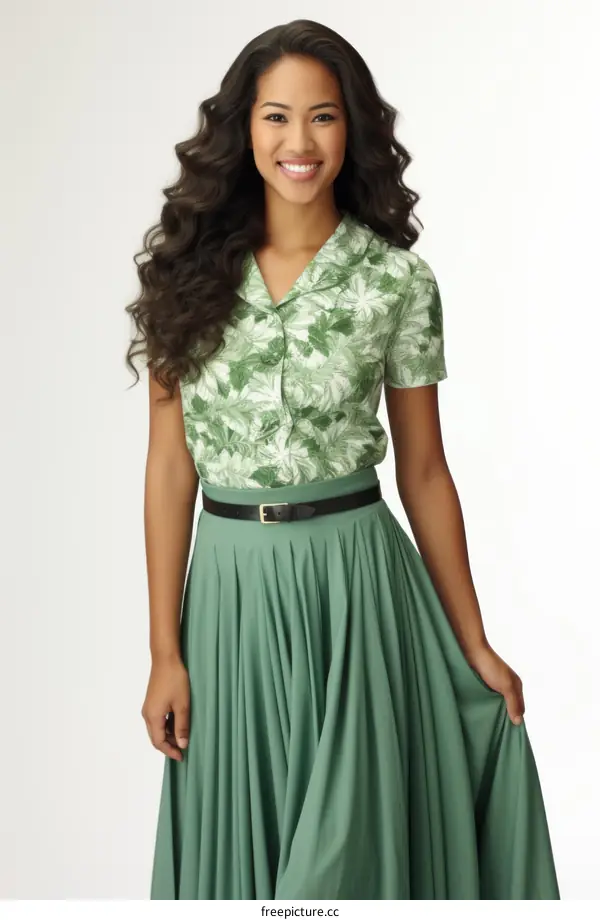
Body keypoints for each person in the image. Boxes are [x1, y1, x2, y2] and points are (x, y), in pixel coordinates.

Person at [125, 19, 560, 900]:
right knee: (255, 872)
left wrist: (472, 639)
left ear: (351, 129)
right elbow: (170, 472)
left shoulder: (397, 282)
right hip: (231, 603)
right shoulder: (185, 275)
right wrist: (164, 652)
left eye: (322, 118)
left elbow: (425, 469)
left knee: (341, 871)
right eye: (277, 117)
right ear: (243, 129)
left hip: (357, 589)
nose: (299, 142)